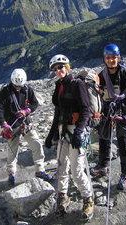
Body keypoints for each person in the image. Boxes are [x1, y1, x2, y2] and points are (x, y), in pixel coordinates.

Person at [48, 54, 94, 220]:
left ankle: (88, 199)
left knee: (76, 169)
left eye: (60, 67)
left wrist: (79, 131)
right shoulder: (59, 87)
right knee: (61, 167)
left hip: (76, 130)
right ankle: (62, 197)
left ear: (67, 67)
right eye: (55, 69)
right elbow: (58, 112)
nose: (58, 70)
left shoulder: (77, 84)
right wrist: (51, 134)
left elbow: (86, 110)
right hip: (63, 130)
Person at [90, 43, 126, 191]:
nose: (111, 60)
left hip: (122, 112)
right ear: (105, 58)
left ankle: (125, 175)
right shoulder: (101, 75)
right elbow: (98, 94)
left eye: (114, 57)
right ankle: (103, 166)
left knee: (124, 144)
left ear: (119, 57)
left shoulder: (124, 73)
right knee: (104, 139)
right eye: (108, 57)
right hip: (107, 111)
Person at [0, 68, 53, 186]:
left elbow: (35, 103)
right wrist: (3, 124)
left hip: (26, 123)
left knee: (36, 144)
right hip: (11, 126)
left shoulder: (27, 89)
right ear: (12, 81)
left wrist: (27, 110)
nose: (17, 88)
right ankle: (11, 173)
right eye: (15, 85)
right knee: (12, 151)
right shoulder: (5, 92)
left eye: (19, 86)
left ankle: (40, 170)